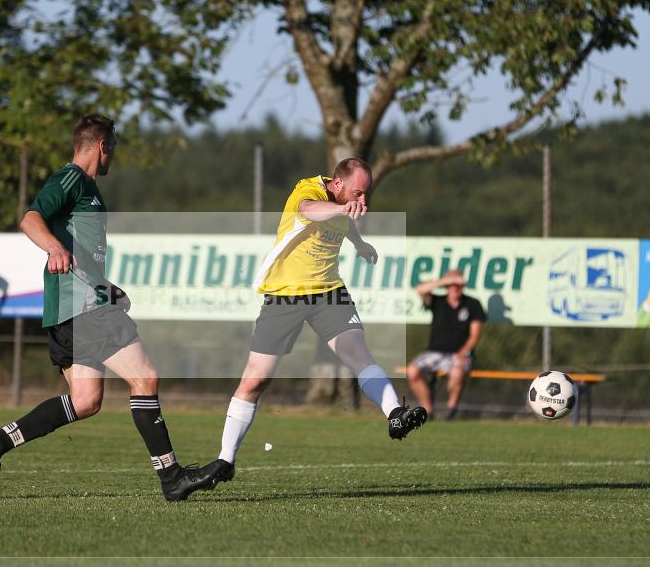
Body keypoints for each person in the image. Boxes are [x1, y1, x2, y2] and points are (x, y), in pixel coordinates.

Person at [0, 113, 209, 502]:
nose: (114, 153)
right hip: (82, 307)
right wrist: (53, 247)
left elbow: (79, 255)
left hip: (74, 306)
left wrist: (107, 288)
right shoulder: (73, 179)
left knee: (85, 401)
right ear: (102, 145)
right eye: (114, 146)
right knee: (145, 378)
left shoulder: (88, 190)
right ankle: (172, 478)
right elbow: (30, 219)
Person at [198, 158, 428, 489]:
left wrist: (359, 244)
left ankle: (395, 415)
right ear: (338, 184)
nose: (363, 201)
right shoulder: (308, 191)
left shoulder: (344, 204)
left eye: (367, 194)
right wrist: (344, 209)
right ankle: (225, 460)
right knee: (255, 379)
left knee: (358, 354)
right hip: (286, 295)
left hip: (328, 293)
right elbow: (309, 210)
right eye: (358, 193)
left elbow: (345, 222)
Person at [405, 269, 486, 420]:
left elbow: (475, 335)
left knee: (457, 373)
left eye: (458, 284)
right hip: (434, 352)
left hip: (458, 353)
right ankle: (428, 410)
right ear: (446, 286)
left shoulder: (473, 304)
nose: (455, 287)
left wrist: (464, 351)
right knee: (412, 371)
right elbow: (420, 289)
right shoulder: (438, 301)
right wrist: (445, 281)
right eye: (452, 284)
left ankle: (451, 409)